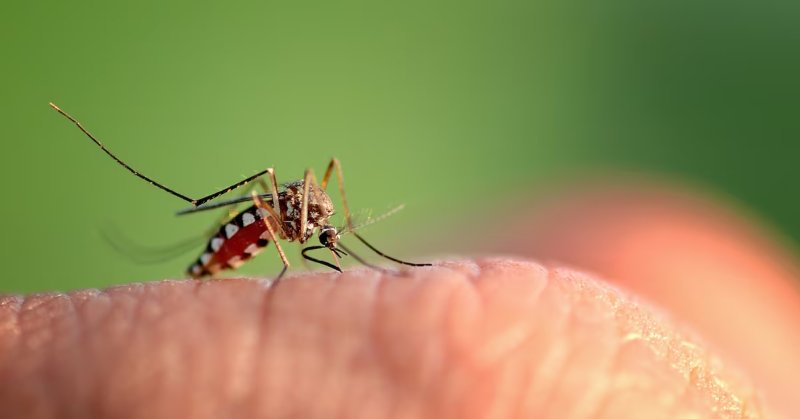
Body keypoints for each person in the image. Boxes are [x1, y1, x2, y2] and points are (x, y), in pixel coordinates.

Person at [1, 183, 797, 418]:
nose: (329, 236)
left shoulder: (318, 221)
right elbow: (277, 206)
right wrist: (263, 239)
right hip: (243, 225)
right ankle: (187, 220)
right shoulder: (282, 224)